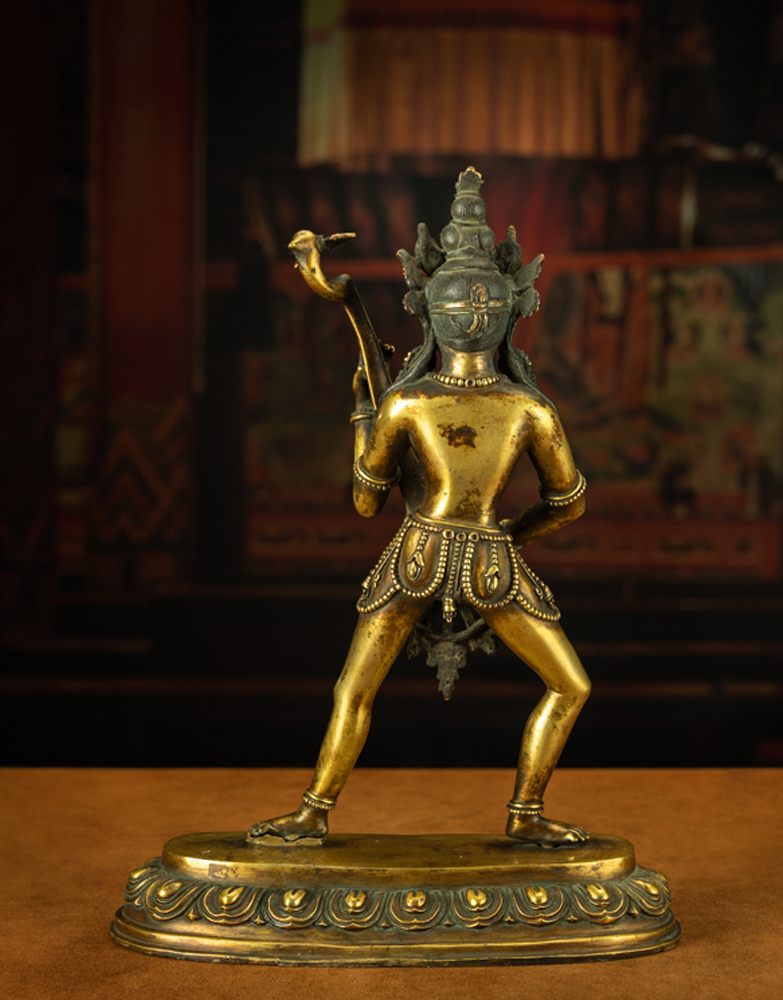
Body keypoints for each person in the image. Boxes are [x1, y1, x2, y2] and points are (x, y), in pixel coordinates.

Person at [249, 168, 591, 847]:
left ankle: (314, 810)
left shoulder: (407, 402)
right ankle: (524, 813)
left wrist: (362, 411)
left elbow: (366, 502)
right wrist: (512, 535)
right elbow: (569, 503)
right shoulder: (530, 408)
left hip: (416, 551)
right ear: (513, 312)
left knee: (355, 689)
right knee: (570, 686)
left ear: (431, 313)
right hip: (492, 560)